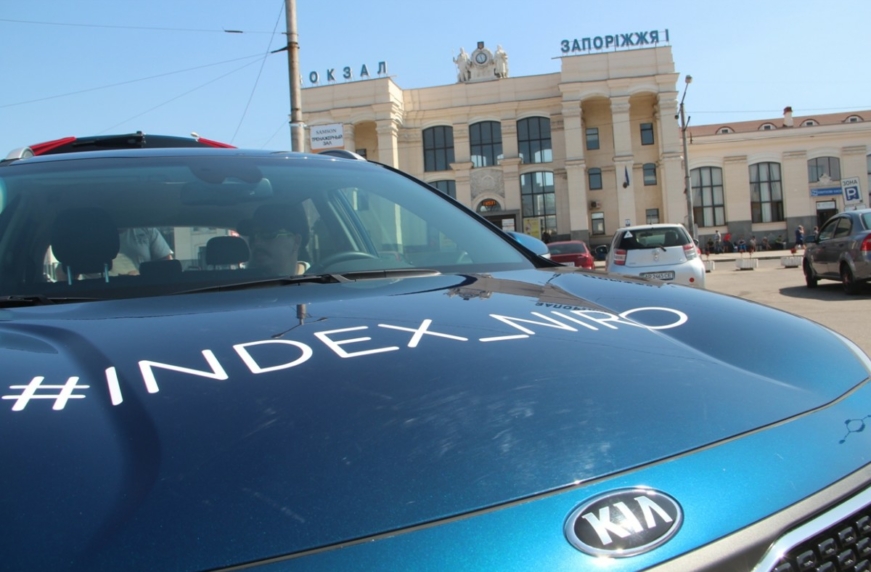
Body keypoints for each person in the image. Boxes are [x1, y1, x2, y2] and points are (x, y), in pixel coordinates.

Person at [242, 203, 309, 276]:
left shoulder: (316, 278)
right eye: (252, 236)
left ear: (296, 242)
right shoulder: (242, 281)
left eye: (268, 234)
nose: (257, 242)